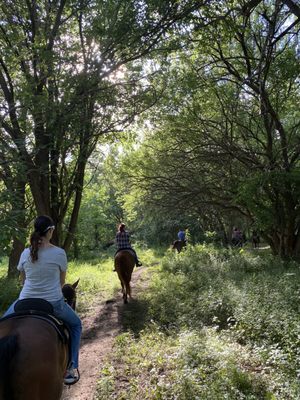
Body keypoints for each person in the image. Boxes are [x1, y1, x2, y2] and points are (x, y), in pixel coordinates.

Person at [2, 215, 82, 385]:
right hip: (53, 303)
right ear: (50, 230)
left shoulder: (25, 252)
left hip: (24, 300)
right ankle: (71, 368)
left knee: (2, 323)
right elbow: (61, 283)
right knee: (76, 325)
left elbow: (22, 281)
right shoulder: (59, 253)